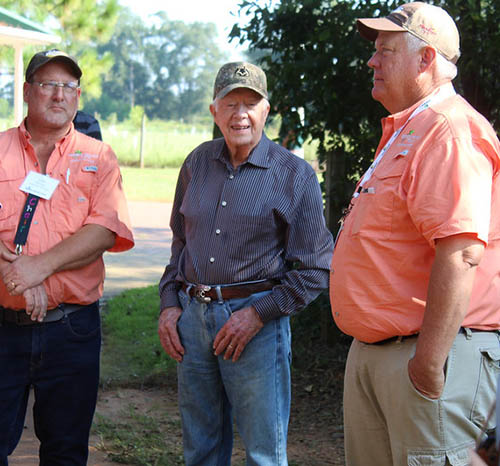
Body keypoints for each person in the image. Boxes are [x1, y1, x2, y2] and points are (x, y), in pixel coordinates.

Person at [329, 3, 500, 465]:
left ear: (426, 60)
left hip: (426, 361)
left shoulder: (449, 130)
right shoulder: (412, 128)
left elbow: (461, 253)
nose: (371, 60)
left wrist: (427, 365)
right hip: (382, 356)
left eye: (385, 50)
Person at [158, 61, 333, 465]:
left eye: (250, 104)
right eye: (230, 103)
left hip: (255, 327)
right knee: (200, 448)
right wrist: (170, 304)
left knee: (262, 453)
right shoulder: (196, 164)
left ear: (266, 111)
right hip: (191, 322)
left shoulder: (295, 176)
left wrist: (257, 313)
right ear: (214, 111)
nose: (240, 114)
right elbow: (180, 241)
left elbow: (316, 268)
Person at [0, 49, 134, 465]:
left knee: (66, 451)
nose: (59, 95)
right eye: (48, 84)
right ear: (26, 92)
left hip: (72, 329)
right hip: (2, 329)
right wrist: (14, 274)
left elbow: (103, 229)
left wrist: (38, 267)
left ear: (77, 96)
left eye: (68, 86)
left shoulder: (98, 157)